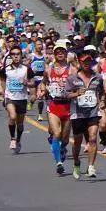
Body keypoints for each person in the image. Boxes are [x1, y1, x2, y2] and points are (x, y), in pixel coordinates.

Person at [67, 47, 105, 179]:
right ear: (79, 62)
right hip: (78, 114)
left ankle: (91, 167)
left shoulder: (98, 77)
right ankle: (76, 162)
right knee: (77, 141)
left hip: (93, 113)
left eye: (89, 61)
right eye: (84, 62)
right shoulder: (73, 78)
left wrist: (102, 101)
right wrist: (77, 93)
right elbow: (66, 94)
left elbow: (102, 92)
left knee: (93, 138)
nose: (87, 64)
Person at [44, 42, 73, 176]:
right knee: (57, 133)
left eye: (62, 51)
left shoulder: (71, 69)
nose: (60, 53)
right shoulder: (49, 69)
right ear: (54, 54)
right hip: (54, 105)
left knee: (65, 138)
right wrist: (42, 89)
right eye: (57, 51)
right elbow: (44, 82)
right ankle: (59, 163)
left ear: (66, 53)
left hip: (68, 106)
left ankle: (62, 149)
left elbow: (78, 83)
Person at [2, 47, 34, 153]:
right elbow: (1, 79)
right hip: (10, 97)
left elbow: (33, 83)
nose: (16, 56)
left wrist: (27, 84)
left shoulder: (26, 69)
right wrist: (3, 93)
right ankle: (12, 139)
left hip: (22, 98)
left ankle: (18, 140)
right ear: (10, 56)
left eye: (18, 54)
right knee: (12, 116)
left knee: (20, 124)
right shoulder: (6, 68)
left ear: (21, 56)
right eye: (13, 54)